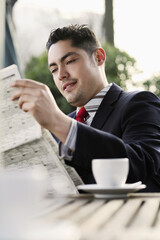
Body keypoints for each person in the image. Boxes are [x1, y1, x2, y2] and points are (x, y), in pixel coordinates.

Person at [11, 24, 160, 192]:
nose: (61, 75)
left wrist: (59, 122)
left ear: (98, 57)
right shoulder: (57, 129)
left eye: (69, 61)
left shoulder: (139, 103)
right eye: (54, 69)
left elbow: (142, 166)